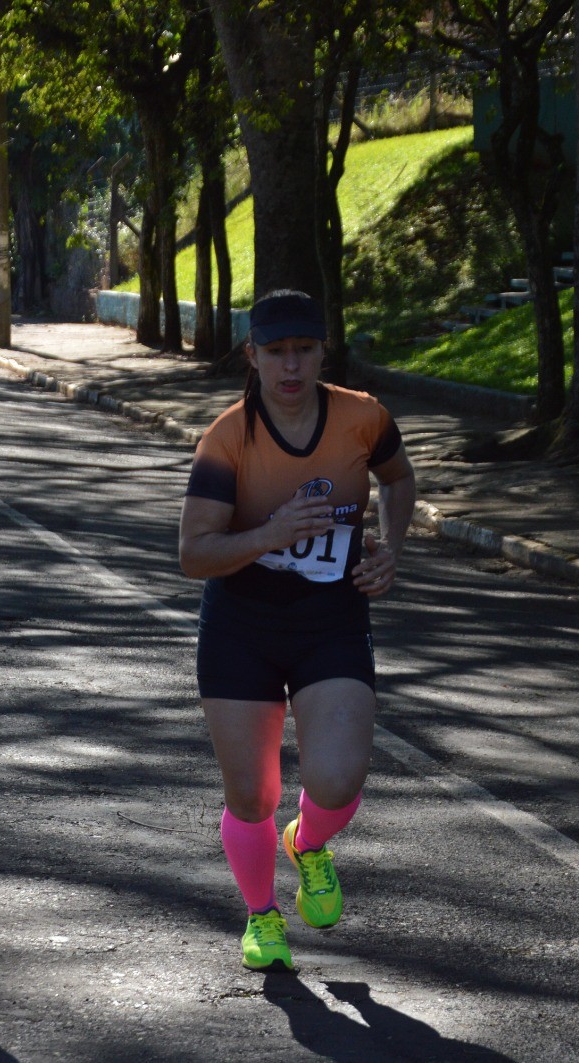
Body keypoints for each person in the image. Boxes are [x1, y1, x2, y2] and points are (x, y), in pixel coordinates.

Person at [177, 290, 416, 974]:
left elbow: (398, 480)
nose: (290, 366)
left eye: (303, 350)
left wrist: (390, 546)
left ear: (321, 352)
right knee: (250, 793)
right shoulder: (229, 438)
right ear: (252, 356)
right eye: (275, 352)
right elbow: (194, 553)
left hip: (330, 617)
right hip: (241, 624)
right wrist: (271, 533)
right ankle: (261, 915)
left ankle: (308, 843)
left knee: (337, 780)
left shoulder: (362, 418)